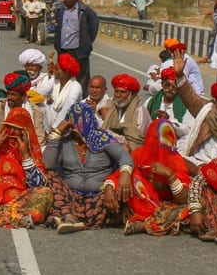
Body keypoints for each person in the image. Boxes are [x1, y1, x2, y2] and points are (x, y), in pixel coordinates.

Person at [44, 103, 134, 233]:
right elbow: (48, 164)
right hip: (71, 197)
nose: (78, 126)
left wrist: (125, 174)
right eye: (73, 121)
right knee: (50, 177)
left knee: (114, 201)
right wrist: (56, 133)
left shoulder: (103, 139)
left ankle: (65, 217)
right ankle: (69, 217)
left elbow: (124, 156)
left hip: (100, 197)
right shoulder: (64, 142)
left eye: (82, 121)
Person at [103, 119, 191, 236]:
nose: (160, 148)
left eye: (166, 143)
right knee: (132, 175)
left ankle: (144, 224)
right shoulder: (139, 154)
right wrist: (109, 188)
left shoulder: (176, 161)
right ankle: (155, 221)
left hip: (167, 206)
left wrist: (170, 176)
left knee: (192, 210)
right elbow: (118, 175)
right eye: (155, 141)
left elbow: (185, 200)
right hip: (143, 202)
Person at [170, 50, 217, 168]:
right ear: (215, 100)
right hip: (196, 162)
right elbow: (190, 98)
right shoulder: (206, 112)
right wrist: (180, 76)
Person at [0, 72, 47, 146]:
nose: (9, 98)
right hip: (0, 147)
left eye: (13, 95)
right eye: (8, 94)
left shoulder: (35, 111)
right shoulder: (0, 106)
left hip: (25, 149)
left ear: (23, 96)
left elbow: (39, 138)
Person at [52, 0, 99, 87]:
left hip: (79, 51)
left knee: (81, 79)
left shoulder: (86, 11)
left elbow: (93, 29)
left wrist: (86, 43)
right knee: (63, 78)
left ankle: (82, 101)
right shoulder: (59, 10)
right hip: (63, 50)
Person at [146, 68, 194, 148]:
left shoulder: (186, 106)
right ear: (162, 84)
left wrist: (169, 123)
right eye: (167, 85)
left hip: (174, 147)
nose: (170, 89)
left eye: (174, 86)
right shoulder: (150, 102)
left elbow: (188, 131)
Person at [103, 74, 150, 152]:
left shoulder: (139, 111)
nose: (118, 95)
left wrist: (111, 135)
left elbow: (136, 138)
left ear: (132, 95)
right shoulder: (111, 104)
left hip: (132, 150)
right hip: (111, 146)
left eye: (123, 92)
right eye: (116, 91)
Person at [47, 53, 83, 128]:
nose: (53, 70)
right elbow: (41, 92)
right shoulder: (56, 80)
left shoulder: (75, 86)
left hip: (67, 122)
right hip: (51, 117)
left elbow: (67, 107)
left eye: (56, 69)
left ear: (65, 72)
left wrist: (56, 127)